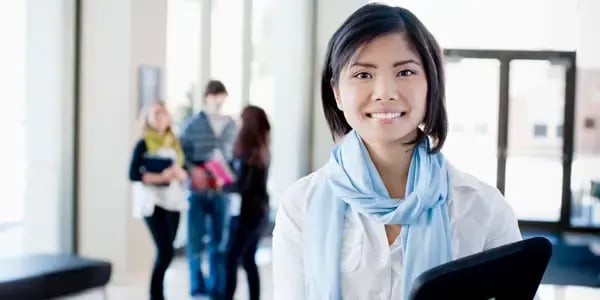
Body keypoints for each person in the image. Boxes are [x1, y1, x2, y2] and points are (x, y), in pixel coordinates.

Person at [272, 4, 522, 300]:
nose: (385, 92)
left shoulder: (481, 206)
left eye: (405, 72)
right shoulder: (302, 205)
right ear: (337, 92)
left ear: (432, 85)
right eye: (363, 75)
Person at [179, 80, 238, 299]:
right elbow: (180, 155)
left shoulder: (232, 125)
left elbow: (236, 158)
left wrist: (229, 175)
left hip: (221, 193)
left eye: (222, 96)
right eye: (215, 95)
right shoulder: (191, 124)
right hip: (196, 192)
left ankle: (217, 290)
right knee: (195, 243)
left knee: (219, 243)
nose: (219, 100)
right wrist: (193, 170)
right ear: (207, 97)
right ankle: (197, 288)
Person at [128, 101, 188, 300]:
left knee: (167, 250)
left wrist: (180, 174)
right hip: (153, 203)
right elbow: (133, 174)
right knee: (165, 250)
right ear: (147, 119)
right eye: (155, 114)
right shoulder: (143, 144)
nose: (160, 117)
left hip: (173, 201)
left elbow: (184, 170)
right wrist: (160, 177)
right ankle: (156, 296)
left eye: (163, 113)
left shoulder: (175, 142)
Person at [223, 106, 271, 300]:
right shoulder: (262, 148)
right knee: (249, 259)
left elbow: (243, 185)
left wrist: (223, 184)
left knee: (231, 258)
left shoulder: (249, 150)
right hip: (259, 211)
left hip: (247, 213)